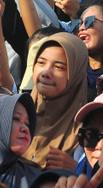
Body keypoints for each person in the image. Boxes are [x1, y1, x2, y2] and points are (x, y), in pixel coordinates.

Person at [21, 32, 88, 169]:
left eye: (59, 67)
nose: (46, 73)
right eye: (41, 62)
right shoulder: (17, 112)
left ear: (76, 74)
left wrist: (76, 168)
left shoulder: (86, 130)